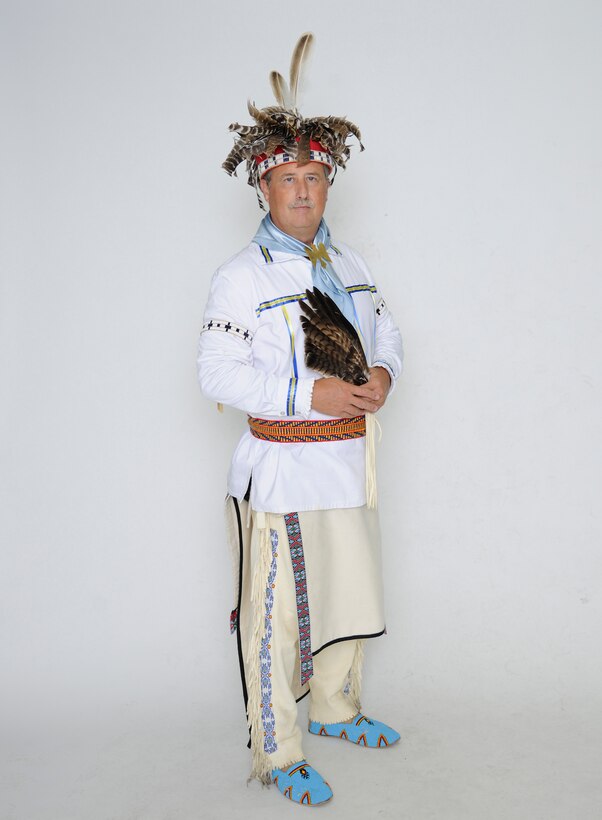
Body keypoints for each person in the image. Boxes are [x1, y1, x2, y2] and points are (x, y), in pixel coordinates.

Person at [197, 33, 404, 807]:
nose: (305, 192)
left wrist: (383, 371)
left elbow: (387, 331)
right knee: (276, 616)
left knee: (348, 594)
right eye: (290, 178)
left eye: (315, 177)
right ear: (264, 187)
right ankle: (278, 751)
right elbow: (215, 373)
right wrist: (303, 393)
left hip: (351, 464)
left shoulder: (350, 266)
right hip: (281, 471)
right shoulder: (239, 279)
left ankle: (337, 708)